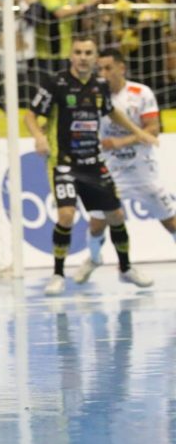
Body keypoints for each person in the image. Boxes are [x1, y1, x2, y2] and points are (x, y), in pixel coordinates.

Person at [25, 36, 157, 296]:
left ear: (95, 57)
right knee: (65, 215)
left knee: (116, 216)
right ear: (71, 55)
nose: (83, 57)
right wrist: (39, 137)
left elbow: (112, 111)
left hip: (94, 164)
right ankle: (58, 274)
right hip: (64, 163)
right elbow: (31, 115)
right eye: (78, 52)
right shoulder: (56, 83)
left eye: (88, 52)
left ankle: (126, 268)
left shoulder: (100, 85)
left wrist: (137, 132)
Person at [73, 49, 176, 283]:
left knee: (170, 220)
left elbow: (152, 130)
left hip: (141, 170)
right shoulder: (93, 94)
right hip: (108, 171)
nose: (103, 73)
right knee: (97, 223)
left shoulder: (141, 93)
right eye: (100, 69)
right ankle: (95, 258)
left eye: (108, 68)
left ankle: (123, 268)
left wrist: (121, 141)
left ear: (121, 68)